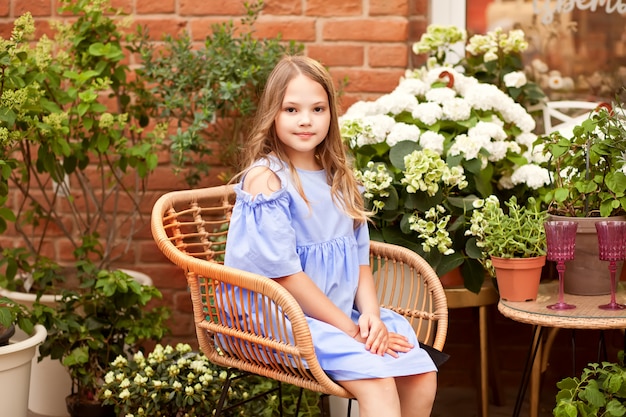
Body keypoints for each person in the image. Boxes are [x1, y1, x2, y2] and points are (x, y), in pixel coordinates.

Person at [224, 55, 439, 417]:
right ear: (272, 114)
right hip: (280, 316)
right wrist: (351, 329)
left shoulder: (339, 178)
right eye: (291, 109)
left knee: (419, 371)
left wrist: (368, 315)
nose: (305, 120)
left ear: (331, 115)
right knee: (378, 381)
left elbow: (360, 261)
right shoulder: (268, 181)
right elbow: (285, 276)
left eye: (317, 109)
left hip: (339, 312)